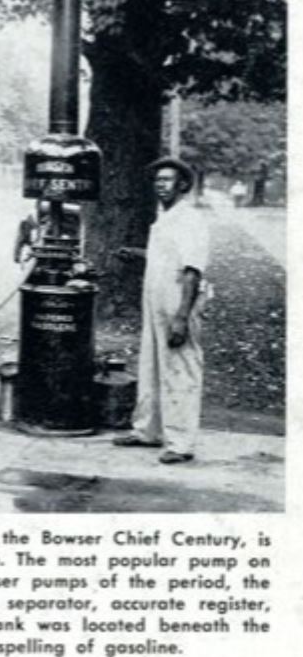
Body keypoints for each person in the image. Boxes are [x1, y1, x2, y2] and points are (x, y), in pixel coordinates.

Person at [114, 157, 210, 464]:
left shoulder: (190, 219)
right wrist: (138, 254)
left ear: (182, 184)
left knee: (180, 369)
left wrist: (182, 316)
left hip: (178, 299)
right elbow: (167, 256)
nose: (160, 185)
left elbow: (193, 268)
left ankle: (181, 443)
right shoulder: (166, 217)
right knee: (152, 365)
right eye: (157, 180)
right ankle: (148, 430)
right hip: (155, 300)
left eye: (167, 180)